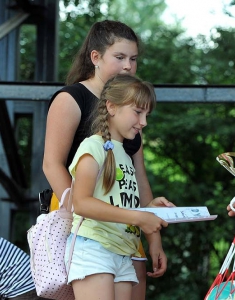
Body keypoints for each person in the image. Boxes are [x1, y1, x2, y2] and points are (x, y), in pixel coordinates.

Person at [42, 20, 171, 299]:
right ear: (96, 58)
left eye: (133, 59)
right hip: (86, 227)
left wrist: (153, 237)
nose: (128, 66)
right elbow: (51, 164)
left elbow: (139, 179)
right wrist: (76, 213)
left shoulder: (132, 114)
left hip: (125, 229)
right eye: (120, 57)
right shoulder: (71, 99)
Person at [65, 74, 168, 300]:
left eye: (147, 115)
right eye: (138, 112)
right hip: (94, 248)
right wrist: (138, 217)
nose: (144, 122)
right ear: (111, 107)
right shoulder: (93, 146)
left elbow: (119, 202)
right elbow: (81, 204)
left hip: (123, 252)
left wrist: (151, 207)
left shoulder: (124, 153)